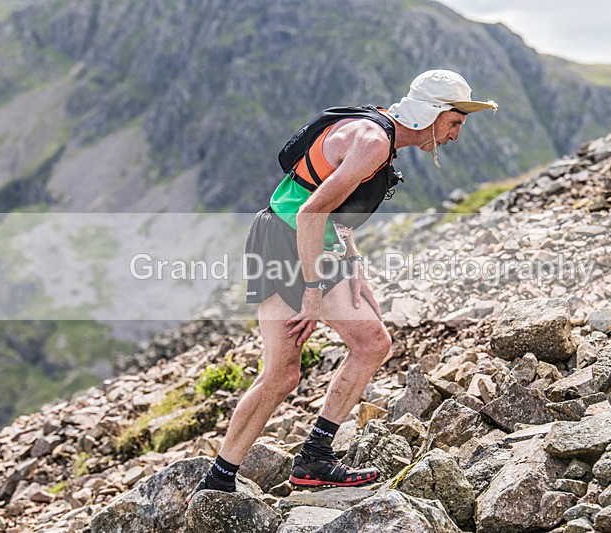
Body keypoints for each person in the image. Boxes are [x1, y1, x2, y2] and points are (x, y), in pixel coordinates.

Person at [187, 70, 497, 502]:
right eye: (455, 123)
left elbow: (334, 212)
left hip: (298, 239)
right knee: (294, 370)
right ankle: (232, 478)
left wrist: (354, 268)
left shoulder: (379, 131)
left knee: (355, 348)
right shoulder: (373, 142)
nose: (455, 136)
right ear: (434, 113)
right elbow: (313, 212)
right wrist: (312, 293)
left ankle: (292, 464)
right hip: (287, 242)